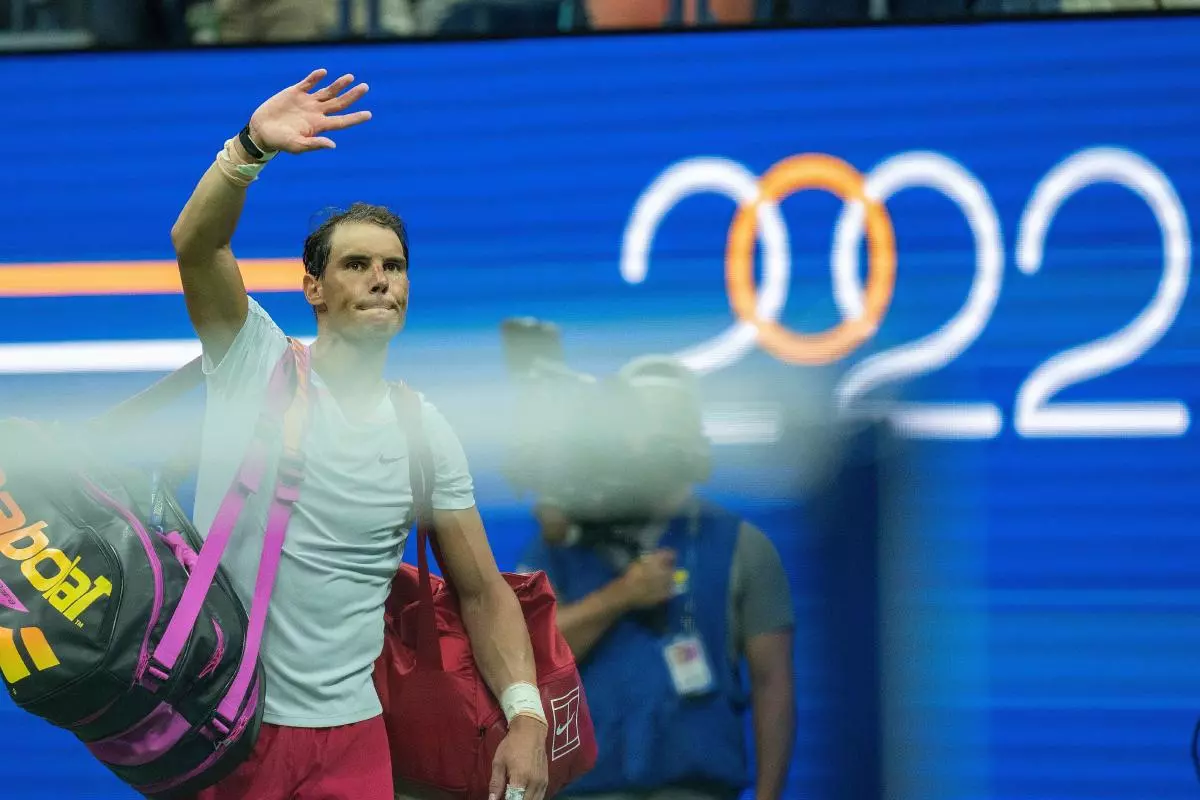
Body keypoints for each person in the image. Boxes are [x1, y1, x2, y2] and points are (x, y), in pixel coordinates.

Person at [171, 68, 549, 800]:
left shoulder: (422, 428)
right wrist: (249, 149)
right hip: (228, 732)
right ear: (313, 288)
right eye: (356, 264)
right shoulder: (254, 361)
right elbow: (196, 246)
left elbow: (482, 591)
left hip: (355, 744)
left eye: (394, 266)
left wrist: (527, 716)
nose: (382, 279)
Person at [517, 356, 796, 800]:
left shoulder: (742, 546)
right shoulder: (558, 545)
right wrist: (621, 596)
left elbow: (773, 682)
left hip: (695, 788)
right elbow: (525, 661)